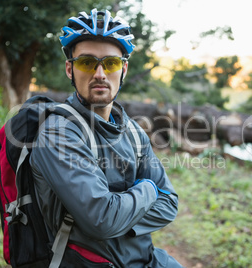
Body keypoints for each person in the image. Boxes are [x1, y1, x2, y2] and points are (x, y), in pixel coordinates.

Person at [30, 8, 183, 268]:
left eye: (110, 63)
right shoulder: (58, 133)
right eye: (87, 62)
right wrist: (147, 189)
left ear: (123, 69)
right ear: (70, 69)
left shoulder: (133, 132)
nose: (99, 74)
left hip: (145, 259)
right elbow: (102, 219)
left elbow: (169, 203)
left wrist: (116, 216)